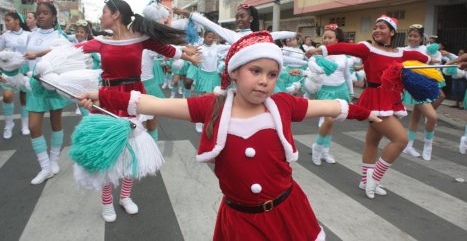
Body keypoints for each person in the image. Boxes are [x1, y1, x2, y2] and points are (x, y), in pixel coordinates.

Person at [79, 31, 381, 240]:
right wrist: (102, 95)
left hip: (286, 211)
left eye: (272, 75)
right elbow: (153, 103)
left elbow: (329, 105)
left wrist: (364, 112)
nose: (264, 81)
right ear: (235, 72)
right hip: (241, 219)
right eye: (255, 71)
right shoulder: (212, 106)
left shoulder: (283, 104)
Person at [75, 0, 199, 222]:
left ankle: (125, 196)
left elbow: (169, 50)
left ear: (115, 15)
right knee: (108, 150)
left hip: (133, 98)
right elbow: (74, 50)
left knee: (131, 149)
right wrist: (40, 56)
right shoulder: (101, 41)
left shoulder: (140, 39)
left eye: (104, 11)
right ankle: (106, 202)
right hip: (107, 98)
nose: (101, 16)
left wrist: (189, 55)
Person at [306, 15, 430, 199]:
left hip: (391, 100)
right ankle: (375, 179)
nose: (377, 30)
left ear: (392, 32)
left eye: (382, 27)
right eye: (375, 27)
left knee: (373, 141)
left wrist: (438, 56)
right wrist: (321, 50)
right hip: (374, 99)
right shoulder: (368, 48)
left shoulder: (400, 52)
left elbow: (422, 57)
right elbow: (346, 47)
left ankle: (365, 180)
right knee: (401, 140)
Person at [23, 1, 72, 185]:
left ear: (53, 17)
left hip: (53, 86)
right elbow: (24, 59)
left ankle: (53, 161)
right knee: (34, 126)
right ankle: (45, 167)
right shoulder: (31, 35)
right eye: (38, 13)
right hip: (34, 86)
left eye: (45, 13)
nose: (41, 16)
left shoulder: (60, 36)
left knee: (55, 123)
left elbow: (67, 56)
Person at [296, 24, 353, 165]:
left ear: (337, 40)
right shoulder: (318, 55)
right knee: (327, 121)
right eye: (324, 37)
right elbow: (312, 73)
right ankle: (317, 148)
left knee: (330, 123)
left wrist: (351, 92)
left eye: (330, 37)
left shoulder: (343, 56)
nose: (326, 40)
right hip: (325, 91)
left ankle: (325, 151)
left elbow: (347, 76)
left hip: (341, 90)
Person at [401, 24, 437, 160]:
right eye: (410, 36)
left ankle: (409, 145)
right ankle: (428, 146)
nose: (412, 39)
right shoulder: (403, 50)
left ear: (421, 38)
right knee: (432, 117)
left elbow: (436, 59)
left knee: (416, 116)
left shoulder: (425, 49)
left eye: (415, 36)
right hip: (413, 86)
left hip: (425, 85)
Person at [0, 11, 31, 138]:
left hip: (25, 69)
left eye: (8, 20)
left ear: (17, 20)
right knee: (7, 96)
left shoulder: (29, 34)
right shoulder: (5, 36)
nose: (6, 23)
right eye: (5, 21)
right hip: (8, 70)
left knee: (24, 98)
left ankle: (25, 124)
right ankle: (8, 124)